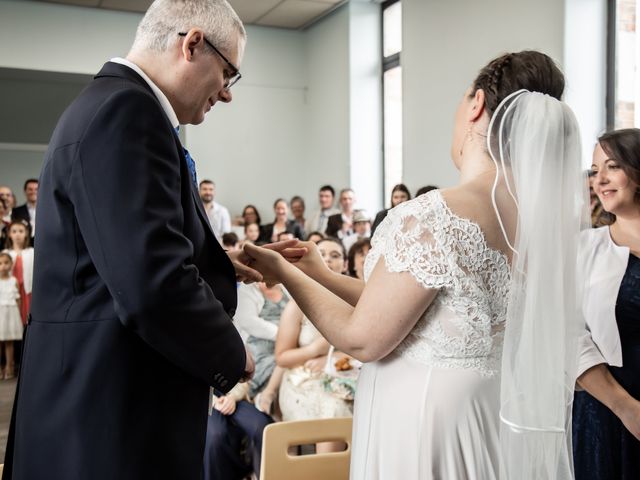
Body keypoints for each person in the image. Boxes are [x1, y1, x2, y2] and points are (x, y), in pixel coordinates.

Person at [245, 50, 586, 479]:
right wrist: (321, 274)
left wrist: (285, 274)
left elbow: (364, 339)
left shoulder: (436, 214)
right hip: (486, 412)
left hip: (425, 418)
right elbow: (420, 311)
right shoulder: (540, 224)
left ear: (476, 104)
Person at [0, 2, 285, 478]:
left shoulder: (111, 105)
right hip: (111, 402)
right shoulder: (127, 113)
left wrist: (215, 259)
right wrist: (231, 353)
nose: (227, 94)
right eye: (229, 73)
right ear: (192, 44)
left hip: (93, 388)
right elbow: (150, 283)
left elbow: (114, 249)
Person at [573, 129, 640, 480]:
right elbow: (568, 337)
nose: (600, 180)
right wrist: (627, 408)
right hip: (607, 414)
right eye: (595, 170)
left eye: (612, 167)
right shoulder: (584, 249)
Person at [275, 238, 354, 453]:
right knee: (334, 409)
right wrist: (313, 350)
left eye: (335, 255)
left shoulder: (353, 301)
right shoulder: (297, 303)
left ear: (345, 264)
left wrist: (334, 357)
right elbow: (282, 357)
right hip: (303, 382)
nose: (327, 259)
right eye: (322, 254)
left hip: (345, 378)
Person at [203, 381, 273, 480]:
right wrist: (214, 402)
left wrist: (232, 397)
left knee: (261, 425)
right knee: (215, 436)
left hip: (232, 395)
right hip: (202, 399)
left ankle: (265, 476)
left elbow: (243, 379)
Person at [3, 220, 33, 326]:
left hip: (26, 290)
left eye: (21, 231)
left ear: (26, 233)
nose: (17, 234)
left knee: (26, 318)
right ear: (10, 234)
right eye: (14, 231)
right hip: (10, 291)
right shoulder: (6, 253)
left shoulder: (31, 252)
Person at [0, 252, 22, 380]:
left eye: (6, 263)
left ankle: (9, 367)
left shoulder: (14, 281)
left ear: (11, 265)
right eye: (0, 263)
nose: (3, 266)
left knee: (9, 343)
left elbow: (18, 299)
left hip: (10, 314)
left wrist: (18, 314)